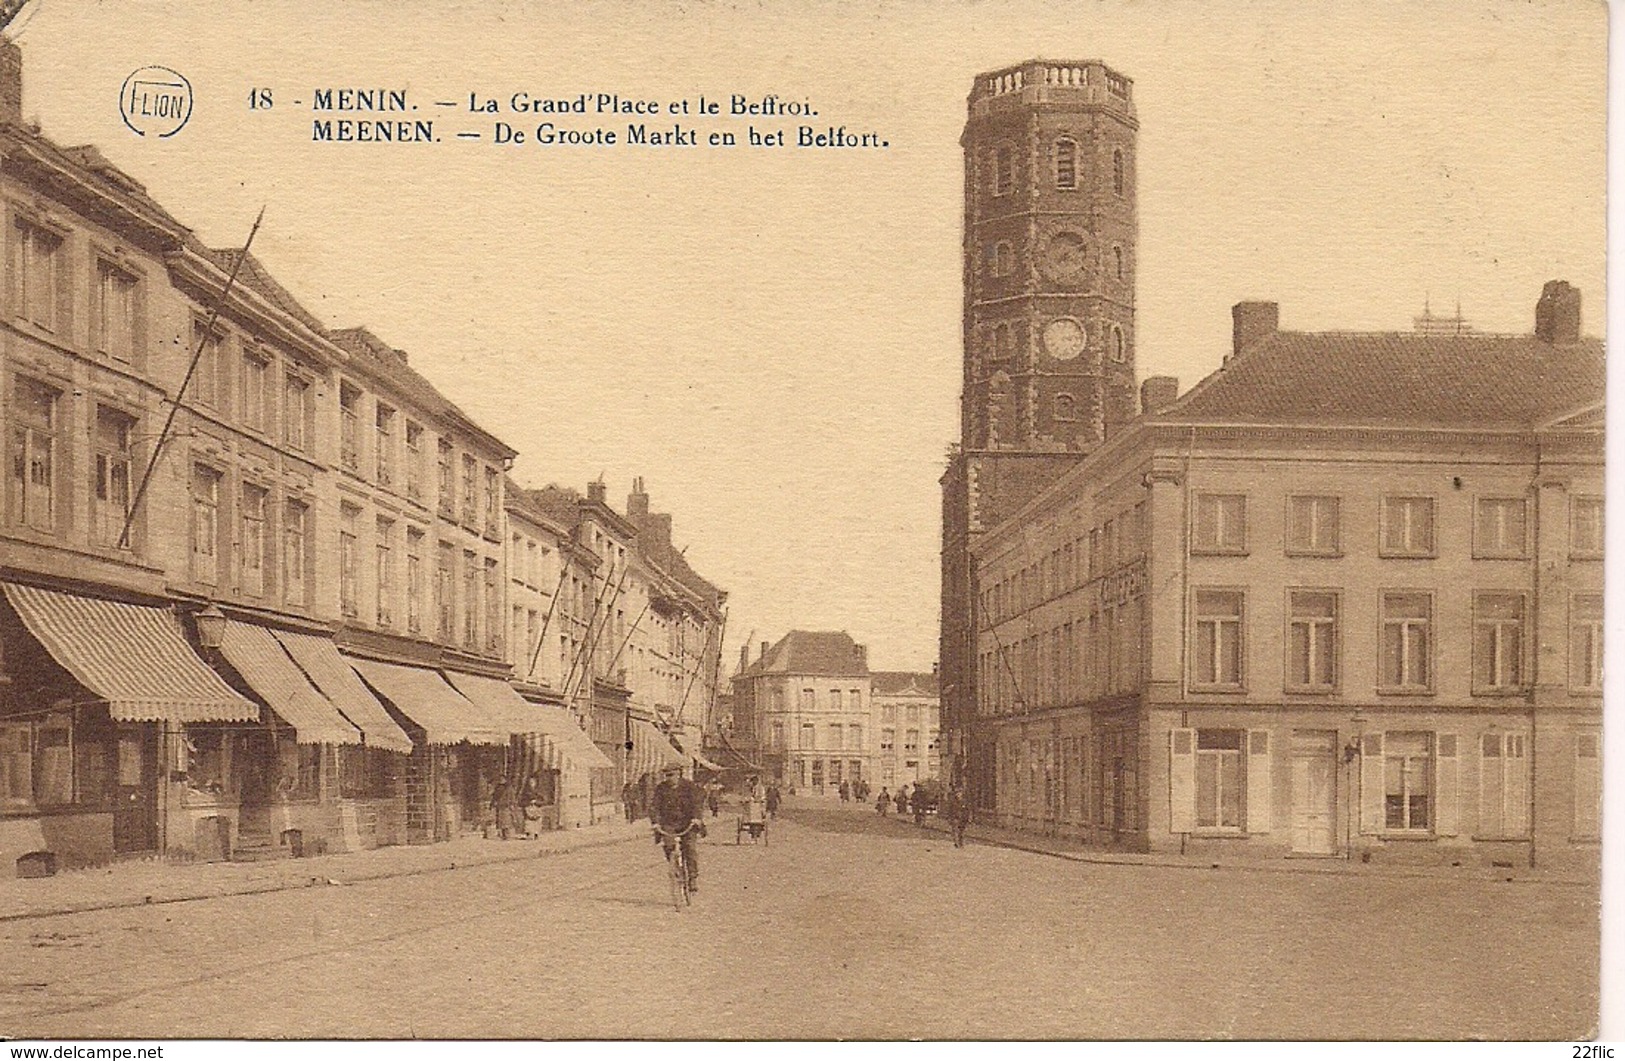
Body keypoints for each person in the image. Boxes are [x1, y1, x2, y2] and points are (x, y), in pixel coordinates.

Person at [650, 764, 706, 892]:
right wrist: (655, 823)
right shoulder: (661, 788)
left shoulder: (689, 787)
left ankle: (692, 877)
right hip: (669, 822)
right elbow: (654, 806)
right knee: (668, 845)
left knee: (690, 848)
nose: (669, 778)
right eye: (667, 776)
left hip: (688, 822)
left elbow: (697, 803)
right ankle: (675, 868)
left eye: (672, 775)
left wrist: (696, 818)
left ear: (679, 774)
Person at [947, 783, 971, 848]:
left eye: (960, 793)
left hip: (963, 818)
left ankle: (961, 843)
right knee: (955, 830)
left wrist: (969, 817)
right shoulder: (953, 801)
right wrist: (949, 818)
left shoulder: (965, 801)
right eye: (957, 793)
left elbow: (968, 810)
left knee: (961, 832)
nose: (958, 794)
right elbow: (950, 810)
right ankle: (957, 843)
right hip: (955, 817)